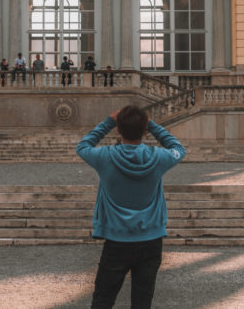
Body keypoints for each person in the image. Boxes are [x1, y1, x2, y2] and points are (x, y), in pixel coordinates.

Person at [76, 106, 187, 309]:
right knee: (142, 301)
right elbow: (179, 149)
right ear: (145, 130)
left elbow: (83, 146)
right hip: (150, 238)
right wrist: (152, 125)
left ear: (118, 130)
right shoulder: (159, 158)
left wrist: (108, 122)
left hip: (116, 239)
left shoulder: (105, 157)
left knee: (103, 299)